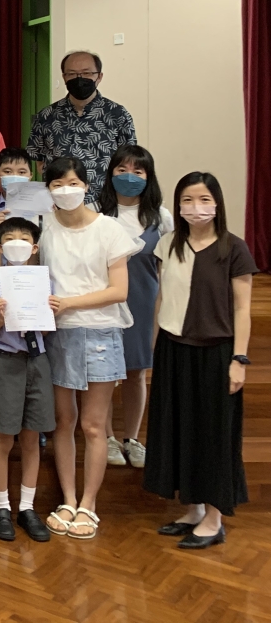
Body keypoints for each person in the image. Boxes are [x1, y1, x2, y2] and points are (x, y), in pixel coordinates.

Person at [145, 172, 254, 550]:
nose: (196, 207)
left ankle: (214, 517)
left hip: (217, 353)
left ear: (217, 204)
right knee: (179, 429)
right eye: (188, 200)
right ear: (178, 206)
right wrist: (154, 349)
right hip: (174, 349)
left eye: (204, 199)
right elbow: (162, 299)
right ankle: (192, 509)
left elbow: (242, 309)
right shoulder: (168, 244)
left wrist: (239, 359)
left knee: (214, 435)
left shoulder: (234, 249)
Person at [38, 156, 137, 542]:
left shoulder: (109, 228)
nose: (67, 190)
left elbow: (119, 290)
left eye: (73, 182)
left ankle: (88, 504)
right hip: (58, 335)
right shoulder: (44, 227)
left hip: (100, 333)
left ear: (86, 185)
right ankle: (67, 499)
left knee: (93, 425)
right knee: (63, 421)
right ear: (48, 190)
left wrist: (69, 303)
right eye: (58, 184)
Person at [0, 217, 55, 543]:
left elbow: (47, 328)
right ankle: (2, 506)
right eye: (9, 239)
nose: (17, 243)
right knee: (4, 438)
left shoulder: (45, 280)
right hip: (4, 362)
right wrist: (1, 318)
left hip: (37, 361)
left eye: (24, 238)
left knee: (32, 437)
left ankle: (27, 507)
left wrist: (51, 312)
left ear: (34, 248)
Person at [98, 145, 172, 468]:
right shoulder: (97, 213)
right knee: (102, 374)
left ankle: (132, 438)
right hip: (103, 302)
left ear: (148, 176)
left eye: (137, 171)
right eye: (122, 170)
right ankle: (107, 438)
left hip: (144, 303)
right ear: (111, 173)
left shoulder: (161, 217)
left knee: (136, 372)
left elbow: (169, 269)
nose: (129, 176)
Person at [27, 51, 137, 201]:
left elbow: (128, 161)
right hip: (57, 203)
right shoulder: (46, 116)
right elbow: (39, 161)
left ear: (99, 76)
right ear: (64, 77)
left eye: (86, 73)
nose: (79, 79)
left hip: (105, 202)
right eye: (72, 74)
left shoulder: (118, 114)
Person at [0, 148, 34, 214]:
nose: (15, 176)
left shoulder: (41, 206)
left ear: (30, 176)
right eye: (8, 172)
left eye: (21, 172)